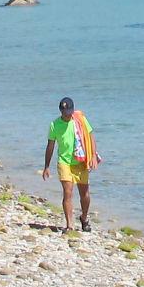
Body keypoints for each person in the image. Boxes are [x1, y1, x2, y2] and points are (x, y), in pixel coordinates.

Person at [41, 96, 101, 233]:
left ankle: (84, 218)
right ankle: (70, 225)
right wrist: (46, 166)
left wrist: (92, 155)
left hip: (81, 161)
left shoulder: (80, 120)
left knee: (85, 195)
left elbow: (90, 136)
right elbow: (50, 146)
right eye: (65, 112)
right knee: (67, 193)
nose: (67, 115)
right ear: (61, 111)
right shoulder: (54, 125)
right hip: (65, 162)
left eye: (69, 112)